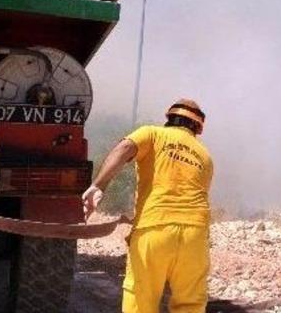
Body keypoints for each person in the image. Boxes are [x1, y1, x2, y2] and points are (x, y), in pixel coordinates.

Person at [82, 99, 213, 313]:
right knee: (190, 304)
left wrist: (99, 186)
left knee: (140, 299)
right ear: (198, 127)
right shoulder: (205, 156)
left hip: (154, 229)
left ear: (169, 119)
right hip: (195, 237)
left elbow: (125, 147)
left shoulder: (152, 133)